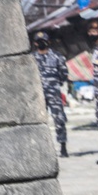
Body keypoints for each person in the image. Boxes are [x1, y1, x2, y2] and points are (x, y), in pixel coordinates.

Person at [31, 30, 70, 158]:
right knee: (39, 121)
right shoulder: (31, 58)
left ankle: (63, 146)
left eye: (44, 41)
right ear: (35, 43)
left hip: (54, 93)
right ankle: (41, 148)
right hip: (38, 94)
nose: (42, 43)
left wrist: (55, 84)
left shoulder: (57, 56)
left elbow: (64, 74)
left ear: (49, 42)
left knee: (59, 119)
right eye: (39, 41)